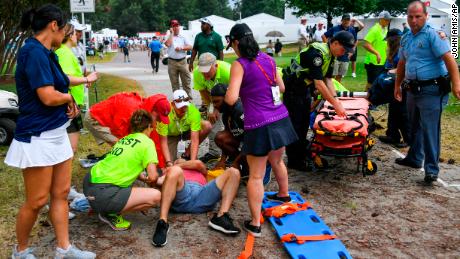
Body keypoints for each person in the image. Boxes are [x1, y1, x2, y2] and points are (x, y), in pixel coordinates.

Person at [5, 4, 95, 258]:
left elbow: (62, 82)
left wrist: (72, 97)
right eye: (65, 28)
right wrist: (67, 99)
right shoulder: (32, 52)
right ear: (54, 26)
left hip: (57, 132)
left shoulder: (48, 53)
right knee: (36, 201)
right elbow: (46, 96)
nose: (66, 34)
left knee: (61, 193)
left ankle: (64, 248)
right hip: (37, 136)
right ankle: (20, 251)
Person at [225, 23, 298, 237]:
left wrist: (236, 91)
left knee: (256, 176)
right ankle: (284, 195)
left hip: (259, 124)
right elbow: (281, 88)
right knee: (277, 160)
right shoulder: (269, 59)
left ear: (236, 42)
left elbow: (230, 98)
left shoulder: (239, 65)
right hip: (280, 117)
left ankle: (255, 223)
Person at [394, 0, 460, 185]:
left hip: (432, 89)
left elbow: (450, 60)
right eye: (411, 16)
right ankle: (414, 158)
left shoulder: (433, 35)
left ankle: (431, 170)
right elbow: (402, 62)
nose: (414, 20)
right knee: (413, 126)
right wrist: (397, 85)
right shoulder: (406, 37)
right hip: (412, 90)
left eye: (418, 16)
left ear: (426, 16)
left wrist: (456, 85)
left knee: (430, 130)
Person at [83, 109, 162, 231]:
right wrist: (158, 179)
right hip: (103, 193)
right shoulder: (147, 142)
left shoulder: (125, 139)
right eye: (152, 128)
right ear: (148, 127)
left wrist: (142, 177)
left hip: (88, 183)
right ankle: (108, 213)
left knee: (130, 187)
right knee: (156, 196)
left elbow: (125, 164)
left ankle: (101, 206)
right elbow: (152, 177)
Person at [283, 32, 351, 171]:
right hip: (293, 90)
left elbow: (328, 79)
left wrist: (336, 100)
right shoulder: (317, 54)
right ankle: (294, 161)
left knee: (303, 125)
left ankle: (301, 155)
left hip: (304, 90)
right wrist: (335, 105)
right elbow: (319, 84)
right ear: (335, 43)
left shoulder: (331, 55)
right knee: (296, 126)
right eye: (343, 49)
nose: (343, 53)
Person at [151, 159, 241, 247]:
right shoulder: (172, 172)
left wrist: (176, 165)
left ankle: (221, 217)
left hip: (202, 194)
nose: (182, 161)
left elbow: (198, 164)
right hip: (183, 195)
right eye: (178, 160)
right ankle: (162, 222)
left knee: (234, 172)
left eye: (185, 161)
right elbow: (160, 183)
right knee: (175, 171)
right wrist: (155, 179)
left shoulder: (199, 169)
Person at [84, 92, 171, 168]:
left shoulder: (145, 111)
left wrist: (162, 164)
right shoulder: (131, 111)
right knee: (123, 146)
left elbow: (153, 141)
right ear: (153, 110)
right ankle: (113, 169)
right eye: (159, 117)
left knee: (128, 148)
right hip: (94, 118)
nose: (159, 121)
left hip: (108, 119)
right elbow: (120, 133)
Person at [55, 24, 98, 155]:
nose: (77, 36)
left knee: (70, 149)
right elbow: (65, 79)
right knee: (69, 149)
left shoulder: (66, 52)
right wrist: (87, 79)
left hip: (73, 103)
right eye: (75, 33)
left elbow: (70, 76)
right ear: (69, 35)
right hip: (69, 105)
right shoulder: (64, 53)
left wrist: (82, 80)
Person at [372, 29, 411, 148]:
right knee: (393, 109)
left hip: (403, 84)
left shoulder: (401, 51)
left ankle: (408, 138)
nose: (387, 43)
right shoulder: (394, 52)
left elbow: (404, 67)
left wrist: (392, 72)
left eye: (388, 40)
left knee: (401, 112)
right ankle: (392, 134)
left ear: (392, 40)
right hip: (394, 82)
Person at [192, 53, 231, 163]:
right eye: (202, 70)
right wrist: (212, 108)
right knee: (212, 119)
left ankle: (234, 153)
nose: (204, 74)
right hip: (214, 98)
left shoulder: (227, 71)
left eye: (207, 70)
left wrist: (219, 109)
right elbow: (204, 92)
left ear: (216, 66)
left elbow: (237, 91)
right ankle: (214, 152)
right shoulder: (197, 73)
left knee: (233, 124)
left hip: (233, 96)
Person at [157, 89, 212, 162]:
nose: (183, 109)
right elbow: (163, 141)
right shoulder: (165, 112)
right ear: (173, 104)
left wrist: (193, 161)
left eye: (185, 106)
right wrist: (168, 162)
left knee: (207, 125)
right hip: (170, 136)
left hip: (186, 132)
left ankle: (188, 152)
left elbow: (195, 139)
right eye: (180, 107)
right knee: (169, 161)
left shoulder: (193, 111)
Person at [210, 83, 245, 170]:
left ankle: (263, 165)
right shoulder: (226, 112)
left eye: (217, 101)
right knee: (220, 137)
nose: (214, 105)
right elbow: (228, 133)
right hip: (243, 143)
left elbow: (252, 141)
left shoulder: (240, 110)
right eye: (213, 102)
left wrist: (236, 162)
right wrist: (222, 160)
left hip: (255, 145)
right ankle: (242, 162)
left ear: (226, 98)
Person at [322, 14, 356, 83]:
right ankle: (330, 89)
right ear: (342, 20)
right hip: (335, 57)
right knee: (331, 75)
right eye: (345, 20)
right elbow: (323, 36)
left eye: (348, 20)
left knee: (340, 75)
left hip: (345, 57)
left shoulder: (352, 30)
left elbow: (355, 40)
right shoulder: (335, 28)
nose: (346, 21)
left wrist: (352, 51)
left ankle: (337, 90)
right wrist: (329, 47)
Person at [363, 11, 392, 90]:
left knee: (378, 82)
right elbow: (366, 44)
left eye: (389, 20)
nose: (388, 21)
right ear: (381, 19)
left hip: (382, 61)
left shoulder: (385, 29)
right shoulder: (374, 30)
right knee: (371, 83)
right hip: (372, 62)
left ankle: (373, 99)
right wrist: (377, 54)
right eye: (386, 20)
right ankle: (366, 100)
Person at [165, 20, 193, 97]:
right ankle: (177, 100)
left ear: (179, 27)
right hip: (172, 61)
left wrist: (181, 48)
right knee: (174, 83)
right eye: (174, 26)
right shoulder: (168, 35)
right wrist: (171, 33)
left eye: (177, 26)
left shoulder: (183, 36)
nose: (176, 27)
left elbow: (190, 46)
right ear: (171, 28)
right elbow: (168, 44)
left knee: (186, 81)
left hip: (182, 61)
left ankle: (188, 99)